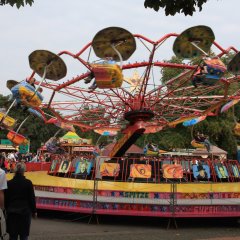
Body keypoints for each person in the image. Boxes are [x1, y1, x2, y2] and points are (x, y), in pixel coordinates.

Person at [5, 162, 37, 240]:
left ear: (15, 171)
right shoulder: (28, 183)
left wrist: (6, 210)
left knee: (13, 236)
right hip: (25, 212)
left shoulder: (9, 183)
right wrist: (34, 211)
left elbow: (6, 199)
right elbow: (32, 198)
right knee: (24, 235)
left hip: (12, 213)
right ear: (24, 171)